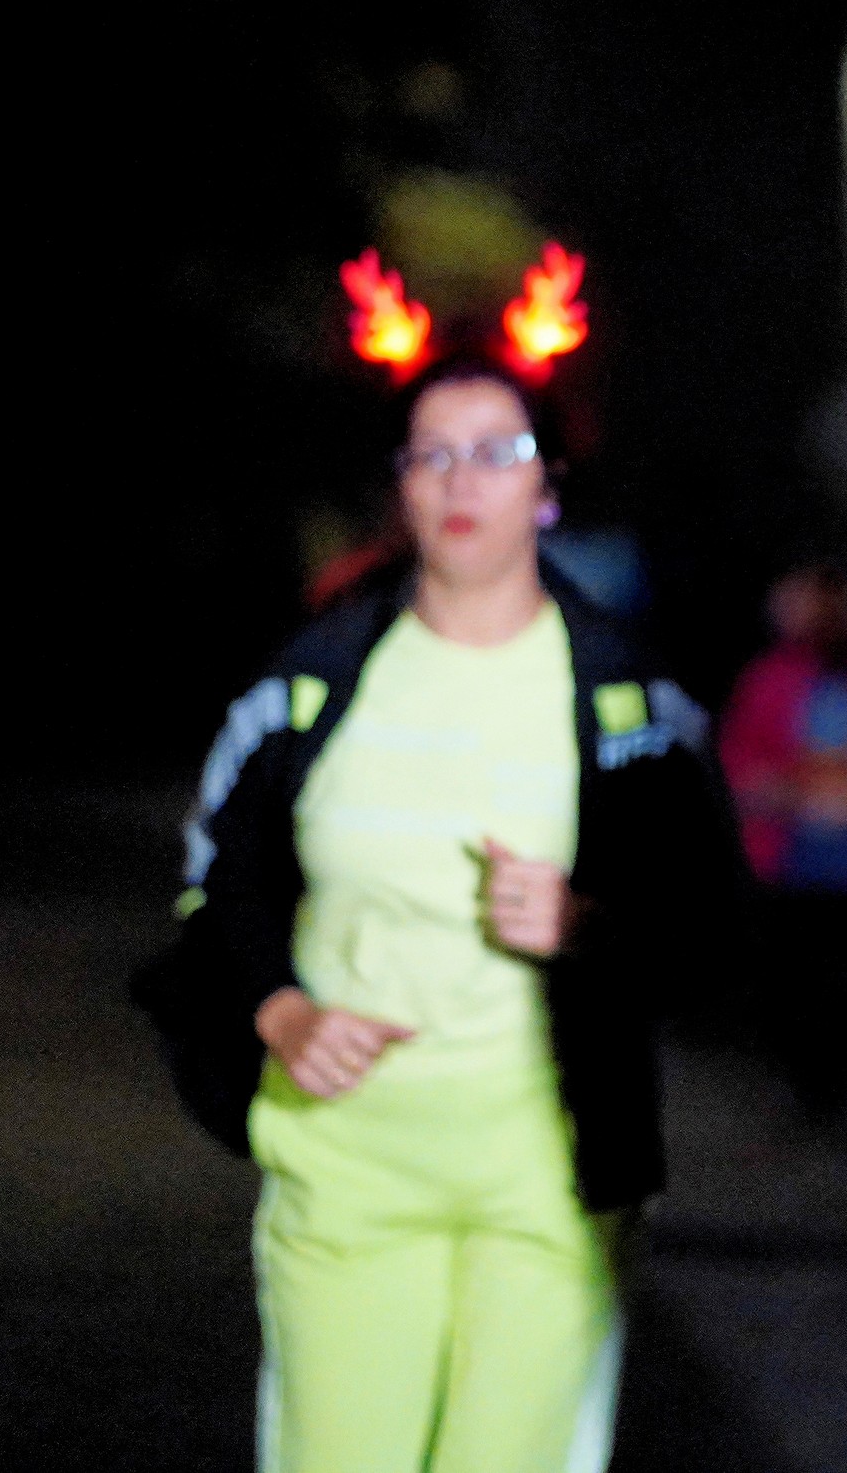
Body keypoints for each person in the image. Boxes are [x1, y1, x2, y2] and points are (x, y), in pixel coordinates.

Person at [182, 352, 739, 1473]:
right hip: (345, 1166)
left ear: (547, 486)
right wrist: (279, 1007)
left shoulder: (626, 693)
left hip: (547, 1183)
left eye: (496, 450)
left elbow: (712, 919)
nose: (461, 479)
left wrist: (582, 924)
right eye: (431, 453)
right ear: (400, 485)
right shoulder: (316, 677)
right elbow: (218, 874)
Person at [719, 562, 847, 1118]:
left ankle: (837, 1091)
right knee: (794, 983)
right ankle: (805, 1088)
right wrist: (780, 789)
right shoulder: (770, 679)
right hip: (791, 864)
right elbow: (740, 762)